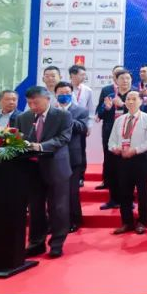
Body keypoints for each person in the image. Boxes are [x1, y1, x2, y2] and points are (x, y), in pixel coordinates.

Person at [17, 86, 73, 258]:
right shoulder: (23, 117)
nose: (33, 106)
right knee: (35, 208)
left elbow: (64, 138)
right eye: (29, 103)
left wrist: (40, 146)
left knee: (58, 207)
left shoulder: (63, 115)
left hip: (56, 167)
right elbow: (18, 138)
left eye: (36, 103)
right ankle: (36, 243)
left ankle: (57, 243)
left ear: (47, 99)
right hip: (32, 169)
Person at [108, 90, 147, 235]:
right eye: (128, 99)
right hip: (122, 159)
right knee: (124, 192)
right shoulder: (119, 120)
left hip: (140, 159)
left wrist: (135, 150)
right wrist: (115, 148)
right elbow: (111, 140)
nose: (130, 101)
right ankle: (127, 222)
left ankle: (142, 221)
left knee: (142, 192)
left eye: (134, 99)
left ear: (141, 101)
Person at [53, 81, 89, 233]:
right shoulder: (50, 110)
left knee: (72, 192)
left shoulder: (80, 110)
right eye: (61, 93)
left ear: (72, 94)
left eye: (67, 93)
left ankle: (74, 220)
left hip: (73, 157)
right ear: (55, 94)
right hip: (54, 156)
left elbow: (83, 128)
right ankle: (55, 221)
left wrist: (65, 116)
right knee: (54, 192)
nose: (64, 96)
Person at [96, 69, 132, 209]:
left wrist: (123, 105)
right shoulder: (110, 96)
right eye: (122, 78)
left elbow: (140, 113)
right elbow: (99, 115)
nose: (125, 81)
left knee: (127, 169)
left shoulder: (135, 96)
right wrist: (106, 108)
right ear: (116, 81)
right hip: (110, 134)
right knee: (111, 167)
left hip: (129, 135)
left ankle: (128, 200)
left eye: (128, 78)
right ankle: (113, 199)